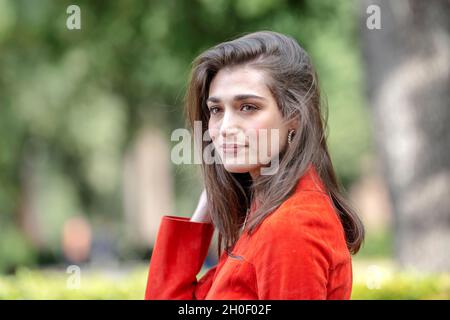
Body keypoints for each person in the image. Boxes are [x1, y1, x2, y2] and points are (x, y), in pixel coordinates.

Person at [145, 31, 365, 300]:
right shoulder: (262, 215)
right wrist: (204, 210)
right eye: (216, 110)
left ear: (294, 117)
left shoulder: (291, 226)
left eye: (248, 107)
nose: (225, 128)